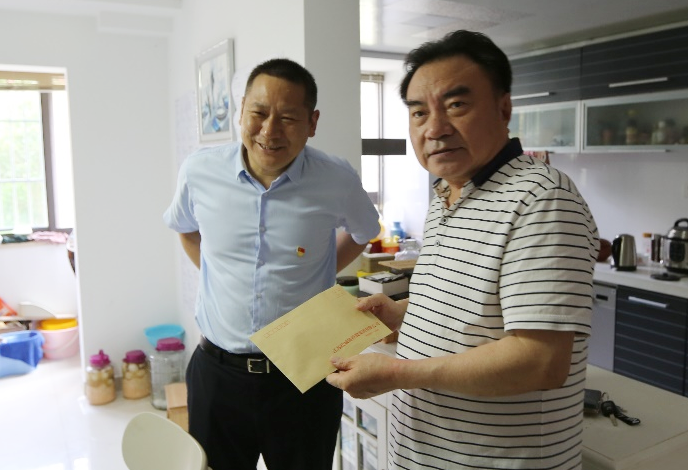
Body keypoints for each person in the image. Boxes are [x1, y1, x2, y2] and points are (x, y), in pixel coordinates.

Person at [327, 31, 599, 469]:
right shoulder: (446, 195)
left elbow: (540, 361)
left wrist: (397, 374)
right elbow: (482, 310)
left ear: (504, 109)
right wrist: (403, 315)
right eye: (419, 112)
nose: (434, 128)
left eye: (456, 105)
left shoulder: (542, 199)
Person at [163, 58, 380, 470]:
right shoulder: (199, 171)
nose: (269, 131)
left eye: (288, 118)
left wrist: (320, 269)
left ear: (312, 122)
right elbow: (185, 229)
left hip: (304, 377)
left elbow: (363, 231)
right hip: (217, 374)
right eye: (259, 113)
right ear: (241, 111)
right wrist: (223, 276)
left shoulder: (336, 179)